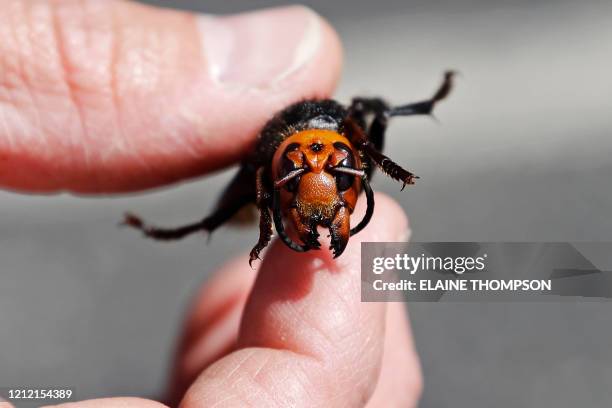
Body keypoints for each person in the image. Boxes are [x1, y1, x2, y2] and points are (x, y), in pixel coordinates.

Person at [0, 1, 421, 406]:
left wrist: (378, 157)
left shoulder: (347, 139)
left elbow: (371, 114)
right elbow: (260, 177)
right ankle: (199, 228)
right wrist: (264, 229)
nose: (319, 181)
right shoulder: (273, 165)